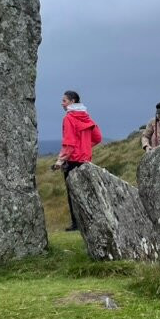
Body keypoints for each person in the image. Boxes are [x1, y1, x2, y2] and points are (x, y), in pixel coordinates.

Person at [52, 90, 102, 231]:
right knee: (85, 192)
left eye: (64, 101)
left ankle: (76, 224)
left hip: (72, 161)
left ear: (72, 101)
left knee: (72, 194)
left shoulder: (69, 118)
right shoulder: (86, 116)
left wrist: (60, 161)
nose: (62, 103)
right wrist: (84, 146)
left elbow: (69, 143)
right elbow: (98, 137)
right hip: (86, 161)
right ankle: (89, 222)